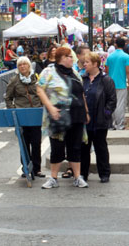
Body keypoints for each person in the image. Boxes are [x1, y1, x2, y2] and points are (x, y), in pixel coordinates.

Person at [36, 47, 90, 189]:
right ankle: (53, 178)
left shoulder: (75, 73)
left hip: (77, 115)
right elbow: (39, 89)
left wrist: (86, 111)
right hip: (58, 115)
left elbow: (81, 94)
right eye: (69, 56)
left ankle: (77, 177)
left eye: (71, 57)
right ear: (62, 58)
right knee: (57, 148)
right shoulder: (49, 71)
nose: (72, 59)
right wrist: (50, 107)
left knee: (75, 147)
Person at [5, 56, 45, 179]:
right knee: (24, 143)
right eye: (20, 65)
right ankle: (26, 168)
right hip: (21, 115)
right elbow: (8, 97)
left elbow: (43, 93)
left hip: (35, 114)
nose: (22, 66)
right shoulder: (14, 80)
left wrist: (42, 106)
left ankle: (37, 168)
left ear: (29, 66)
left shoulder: (36, 78)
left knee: (36, 142)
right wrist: (13, 110)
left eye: (24, 64)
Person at [81, 52, 116, 183]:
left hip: (100, 120)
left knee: (100, 147)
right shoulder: (83, 79)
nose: (84, 64)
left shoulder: (106, 80)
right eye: (84, 62)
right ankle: (83, 174)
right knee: (84, 148)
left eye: (87, 62)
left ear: (95, 64)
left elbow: (112, 100)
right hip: (85, 121)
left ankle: (104, 173)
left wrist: (106, 113)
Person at [105, 37, 129, 130]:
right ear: (124, 45)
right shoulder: (126, 56)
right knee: (120, 104)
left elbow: (106, 71)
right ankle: (119, 124)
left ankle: (111, 124)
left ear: (115, 45)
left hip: (110, 84)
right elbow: (128, 71)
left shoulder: (110, 56)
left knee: (111, 104)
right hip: (121, 83)